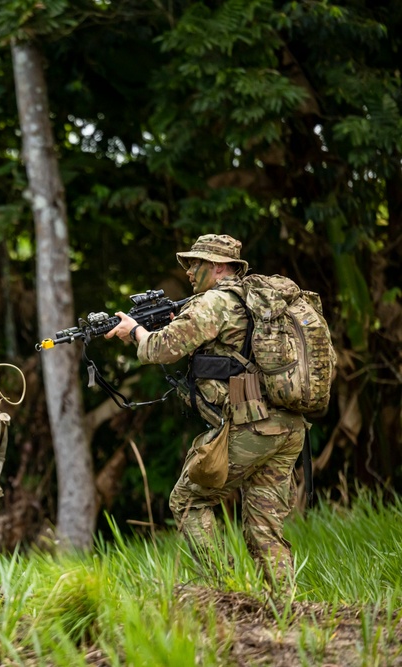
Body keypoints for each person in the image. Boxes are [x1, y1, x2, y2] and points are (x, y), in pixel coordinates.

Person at [104, 234, 306, 591]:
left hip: (252, 426)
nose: (188, 272)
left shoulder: (215, 303)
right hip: (288, 425)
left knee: (187, 500)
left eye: (193, 264)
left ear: (215, 267)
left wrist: (135, 331)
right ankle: (286, 608)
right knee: (264, 526)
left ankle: (223, 589)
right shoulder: (256, 301)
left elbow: (162, 348)